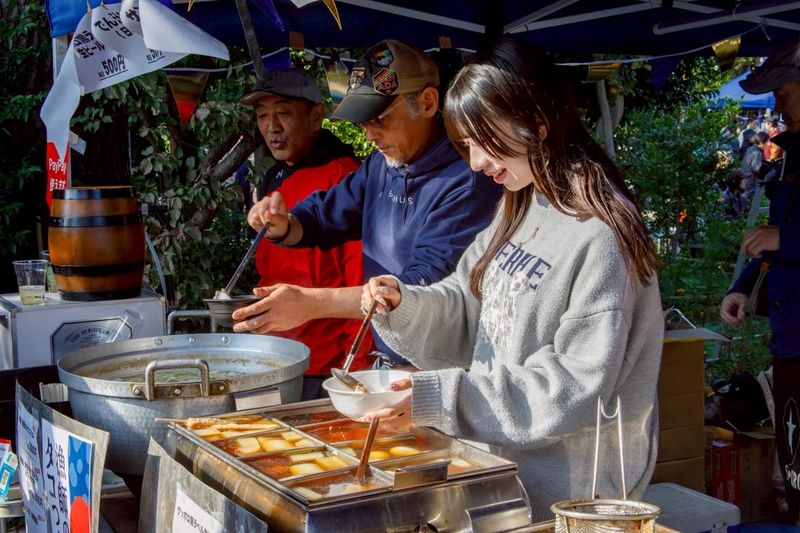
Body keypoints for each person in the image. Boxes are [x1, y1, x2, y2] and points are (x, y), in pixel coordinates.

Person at [360, 37, 663, 521]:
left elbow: (574, 384)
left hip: (573, 501)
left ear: (536, 122)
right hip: (501, 478)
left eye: (483, 141)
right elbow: (468, 302)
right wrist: (406, 303)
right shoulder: (519, 206)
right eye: (466, 145)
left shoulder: (600, 235)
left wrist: (443, 396)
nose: (476, 162)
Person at [233, 40, 502, 370]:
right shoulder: (381, 164)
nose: (370, 134)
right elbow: (329, 211)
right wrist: (287, 224)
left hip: (441, 365)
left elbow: (422, 286)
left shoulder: (467, 179)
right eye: (362, 121)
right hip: (387, 352)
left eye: (379, 118)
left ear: (428, 102)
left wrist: (311, 303)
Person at [238, 68, 372, 399]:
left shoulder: (346, 178)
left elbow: (363, 281)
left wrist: (357, 376)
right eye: (262, 115)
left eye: (283, 113)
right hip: (276, 355)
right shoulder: (274, 176)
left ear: (316, 116)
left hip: (326, 367)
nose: (272, 127)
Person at [720, 35, 800, 523]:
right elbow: (776, 238)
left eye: (786, 90)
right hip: (790, 336)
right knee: (793, 456)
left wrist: (783, 241)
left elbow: (784, 238)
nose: (777, 103)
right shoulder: (790, 156)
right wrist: (744, 285)